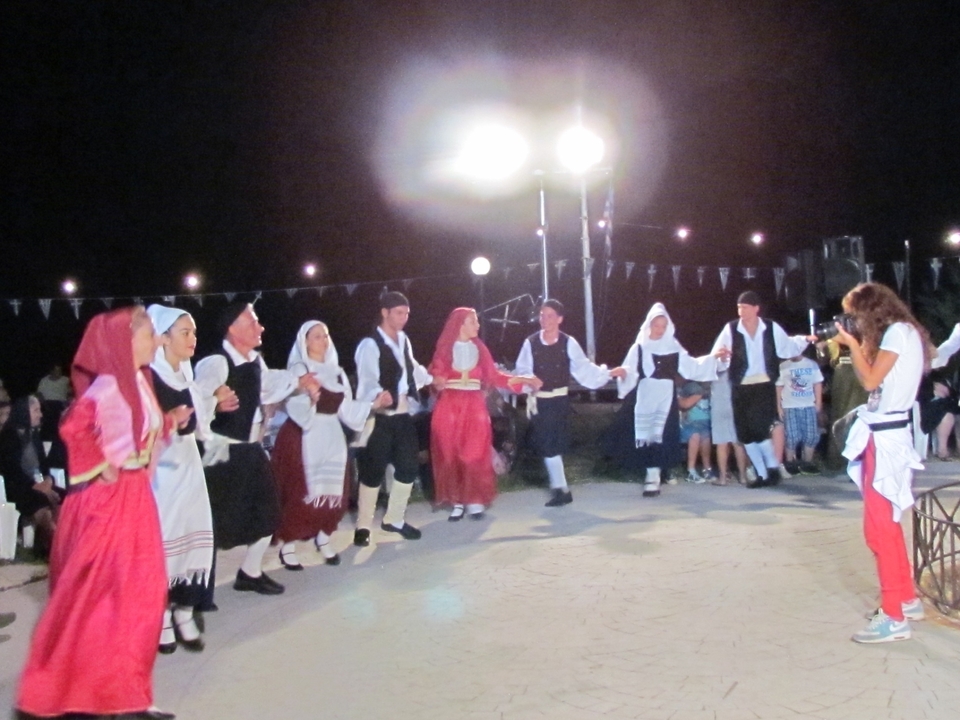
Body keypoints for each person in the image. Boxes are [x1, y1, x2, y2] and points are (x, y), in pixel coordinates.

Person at [17, 306, 190, 720]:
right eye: (151, 334)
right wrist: (101, 462)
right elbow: (75, 430)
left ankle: (129, 695)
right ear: (125, 341)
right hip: (108, 504)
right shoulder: (107, 389)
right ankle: (88, 694)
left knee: (141, 600)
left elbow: (139, 434)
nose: (157, 340)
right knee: (102, 602)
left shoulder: (139, 383)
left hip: (135, 502)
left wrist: (168, 423)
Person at [832, 282, 934, 643]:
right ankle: (905, 599)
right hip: (888, 435)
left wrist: (854, 347)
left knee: (880, 529)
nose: (855, 322)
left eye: (857, 315)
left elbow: (870, 379)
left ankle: (893, 616)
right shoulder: (905, 332)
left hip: (886, 440)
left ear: (871, 310)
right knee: (884, 525)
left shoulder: (896, 334)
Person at [195, 302, 318, 596]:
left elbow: (266, 385)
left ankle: (249, 573)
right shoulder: (216, 363)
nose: (260, 327)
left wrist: (297, 382)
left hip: (249, 448)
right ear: (232, 328)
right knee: (212, 522)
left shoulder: (253, 360)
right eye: (252, 322)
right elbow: (196, 400)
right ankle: (197, 592)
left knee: (269, 512)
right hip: (220, 451)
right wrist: (214, 401)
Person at [272, 320, 388, 569]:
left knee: (334, 489)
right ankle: (289, 543)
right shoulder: (299, 370)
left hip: (332, 435)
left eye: (325, 336)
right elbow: (291, 403)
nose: (323, 341)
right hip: (303, 435)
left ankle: (324, 536)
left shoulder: (336, 372)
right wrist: (309, 398)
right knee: (301, 490)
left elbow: (346, 407)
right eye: (316, 337)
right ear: (304, 342)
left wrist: (372, 405)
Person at [146, 305, 215, 655]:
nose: (192, 338)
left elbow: (201, 424)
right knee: (164, 541)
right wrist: (167, 420)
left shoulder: (185, 376)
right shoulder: (149, 378)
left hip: (188, 464)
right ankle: (160, 617)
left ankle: (185, 610)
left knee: (194, 537)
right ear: (164, 337)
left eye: (194, 332)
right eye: (185, 332)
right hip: (161, 472)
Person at [516, 299, 626, 505]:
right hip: (541, 401)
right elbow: (523, 369)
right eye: (542, 315)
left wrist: (608, 373)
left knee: (555, 444)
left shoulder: (568, 342)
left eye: (549, 316)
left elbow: (584, 368)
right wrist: (530, 379)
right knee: (547, 444)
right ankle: (561, 489)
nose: (545, 319)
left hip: (560, 400)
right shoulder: (530, 343)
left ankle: (561, 488)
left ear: (559, 319)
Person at [429, 307, 533, 520]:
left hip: (474, 407)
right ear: (461, 325)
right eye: (473, 321)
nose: (477, 325)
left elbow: (494, 376)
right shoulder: (444, 350)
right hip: (450, 406)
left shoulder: (480, 349)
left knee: (474, 454)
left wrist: (523, 382)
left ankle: (474, 499)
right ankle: (457, 499)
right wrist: (436, 382)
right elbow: (435, 374)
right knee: (450, 454)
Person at [606, 303, 720, 497]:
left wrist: (714, 358)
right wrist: (623, 375)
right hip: (645, 395)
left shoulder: (672, 346)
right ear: (649, 325)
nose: (659, 330)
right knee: (645, 434)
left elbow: (691, 366)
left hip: (666, 397)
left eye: (662, 326)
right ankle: (650, 473)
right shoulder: (640, 347)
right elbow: (630, 369)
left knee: (661, 435)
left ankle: (655, 476)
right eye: (656, 325)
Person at [353, 291, 432, 545]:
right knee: (372, 472)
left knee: (409, 466)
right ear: (385, 312)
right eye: (399, 312)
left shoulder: (403, 340)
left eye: (407, 313)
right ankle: (363, 526)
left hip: (402, 416)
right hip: (379, 418)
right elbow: (366, 379)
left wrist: (431, 379)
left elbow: (411, 367)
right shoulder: (370, 344)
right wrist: (378, 395)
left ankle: (394, 519)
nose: (404, 317)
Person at [711, 291, 812, 487]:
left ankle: (772, 468)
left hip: (764, 384)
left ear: (756, 308)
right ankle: (763, 474)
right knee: (745, 433)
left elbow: (787, 346)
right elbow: (719, 353)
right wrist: (720, 356)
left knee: (759, 429)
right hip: (741, 385)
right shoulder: (731, 329)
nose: (741, 311)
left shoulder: (771, 327)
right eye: (739, 307)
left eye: (746, 307)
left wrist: (805, 339)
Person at [0, 396, 64, 557]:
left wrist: (48, 481)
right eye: (36, 410)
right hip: (17, 489)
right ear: (24, 412)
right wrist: (39, 487)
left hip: (38, 484)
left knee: (63, 496)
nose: (40, 414)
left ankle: (53, 544)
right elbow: (13, 472)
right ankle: (58, 550)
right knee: (41, 502)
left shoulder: (34, 435)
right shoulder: (8, 438)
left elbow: (43, 466)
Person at [776, 350, 825, 474]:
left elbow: (817, 383)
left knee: (810, 435)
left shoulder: (812, 364)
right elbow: (779, 386)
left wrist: (818, 402)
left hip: (808, 404)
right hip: (790, 405)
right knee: (792, 436)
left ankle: (807, 463)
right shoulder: (784, 366)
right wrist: (779, 406)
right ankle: (790, 463)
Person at [709, 370, 750, 486]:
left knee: (721, 443)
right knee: (737, 442)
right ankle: (743, 476)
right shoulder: (737, 367)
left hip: (719, 404)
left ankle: (722, 478)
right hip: (735, 404)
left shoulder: (714, 365)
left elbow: (705, 384)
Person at [678, 380, 713, 482]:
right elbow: (684, 404)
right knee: (695, 437)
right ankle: (691, 471)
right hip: (691, 423)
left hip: (705, 421)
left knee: (706, 441)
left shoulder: (711, 388)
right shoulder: (692, 387)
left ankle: (707, 469)